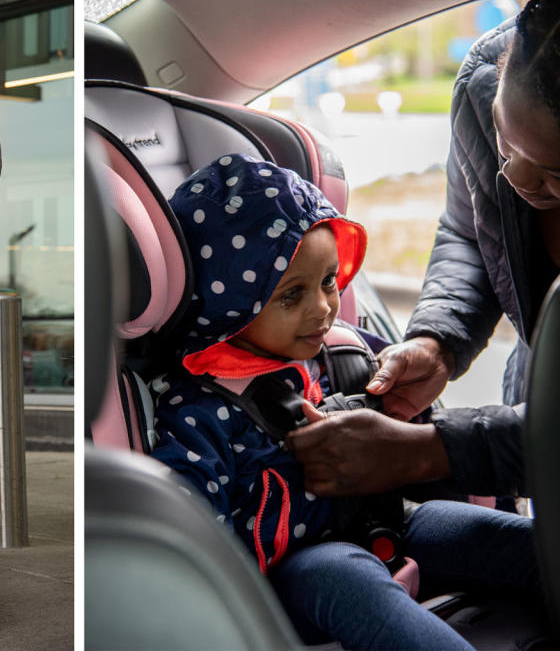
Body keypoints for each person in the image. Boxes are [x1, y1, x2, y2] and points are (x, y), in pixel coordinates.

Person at [149, 154, 539, 650]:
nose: (323, 308)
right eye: (291, 296)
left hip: (389, 524)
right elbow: (188, 529)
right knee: (347, 574)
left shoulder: (346, 351)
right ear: (232, 305)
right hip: (296, 574)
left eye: (329, 280)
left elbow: (426, 439)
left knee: (510, 539)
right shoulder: (200, 405)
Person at [294, 0, 560, 498]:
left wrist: (429, 452)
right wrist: (438, 341)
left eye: (554, 173)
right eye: (505, 142)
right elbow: (472, 233)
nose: (517, 180)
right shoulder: (482, 78)